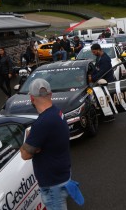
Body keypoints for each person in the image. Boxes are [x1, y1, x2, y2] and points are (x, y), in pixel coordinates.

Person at [20, 78, 84, 210]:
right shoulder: (58, 112)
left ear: (32, 98)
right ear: (50, 94)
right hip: (62, 175)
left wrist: (30, 139)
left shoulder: (42, 123)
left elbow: (25, 155)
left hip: (53, 184)